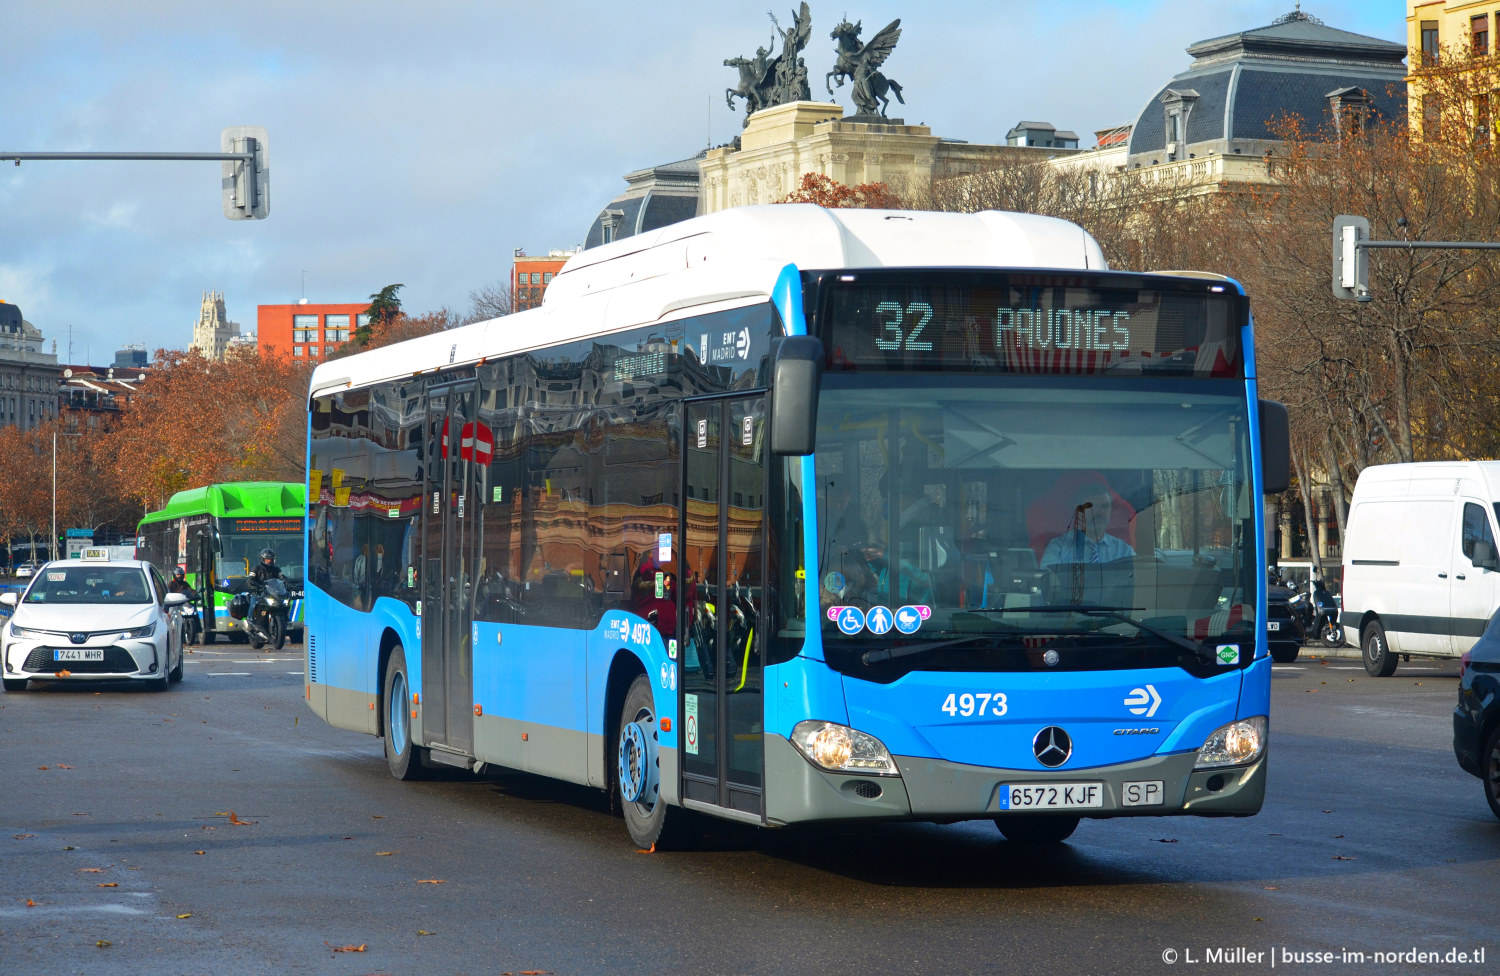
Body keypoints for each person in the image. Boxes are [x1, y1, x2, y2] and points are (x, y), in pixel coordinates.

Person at [1039, 483, 1135, 569]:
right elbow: (1049, 583)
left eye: (1105, 506)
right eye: (1093, 507)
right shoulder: (1059, 548)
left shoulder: (1123, 551)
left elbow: (1139, 581)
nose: (1101, 512)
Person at [168, 567, 202, 644]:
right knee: (170, 616)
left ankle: (198, 630)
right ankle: (171, 632)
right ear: (174, 575)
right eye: (177, 575)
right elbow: (167, 592)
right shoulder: (171, 584)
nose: (179, 576)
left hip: (185, 603)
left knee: (194, 612)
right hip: (175, 604)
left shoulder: (185, 584)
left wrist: (196, 594)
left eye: (180, 575)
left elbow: (191, 590)